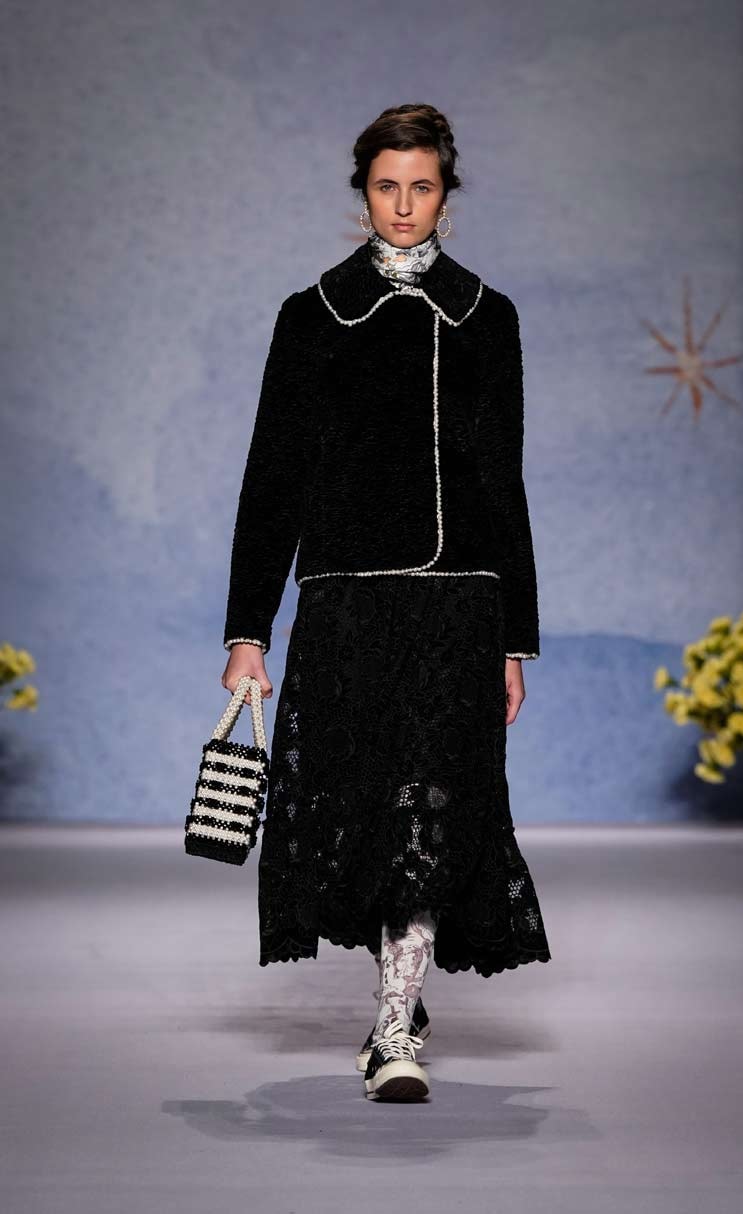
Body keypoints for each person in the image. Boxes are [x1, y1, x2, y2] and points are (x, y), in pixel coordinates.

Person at [220, 103, 551, 1102]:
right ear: (362, 193)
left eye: (422, 187)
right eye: (386, 186)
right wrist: (247, 631)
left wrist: (516, 639)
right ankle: (398, 985)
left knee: (431, 801)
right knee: (363, 806)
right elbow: (272, 477)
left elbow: (504, 481)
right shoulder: (313, 316)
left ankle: (395, 1023)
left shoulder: (487, 316)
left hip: (457, 604)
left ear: (447, 196)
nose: (404, 205)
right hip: (348, 603)